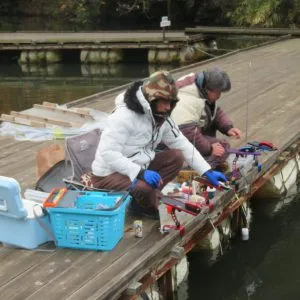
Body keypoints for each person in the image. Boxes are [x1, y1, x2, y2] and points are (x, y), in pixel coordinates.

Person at [91, 70, 227, 218]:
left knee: (176, 156)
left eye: (171, 102)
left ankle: (144, 197)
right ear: (152, 98)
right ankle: (144, 205)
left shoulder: (161, 116)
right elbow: (108, 153)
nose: (169, 107)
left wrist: (207, 171)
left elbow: (182, 143)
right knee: (144, 187)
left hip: (138, 167)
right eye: (165, 101)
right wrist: (140, 173)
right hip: (108, 174)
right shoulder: (123, 116)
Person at [171, 67, 243, 169]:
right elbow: (188, 134)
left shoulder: (202, 89)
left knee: (220, 146)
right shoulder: (186, 98)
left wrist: (228, 128)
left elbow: (215, 111)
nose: (219, 95)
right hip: (177, 141)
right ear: (208, 89)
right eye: (218, 92)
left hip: (191, 134)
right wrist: (209, 148)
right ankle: (198, 170)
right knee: (222, 148)